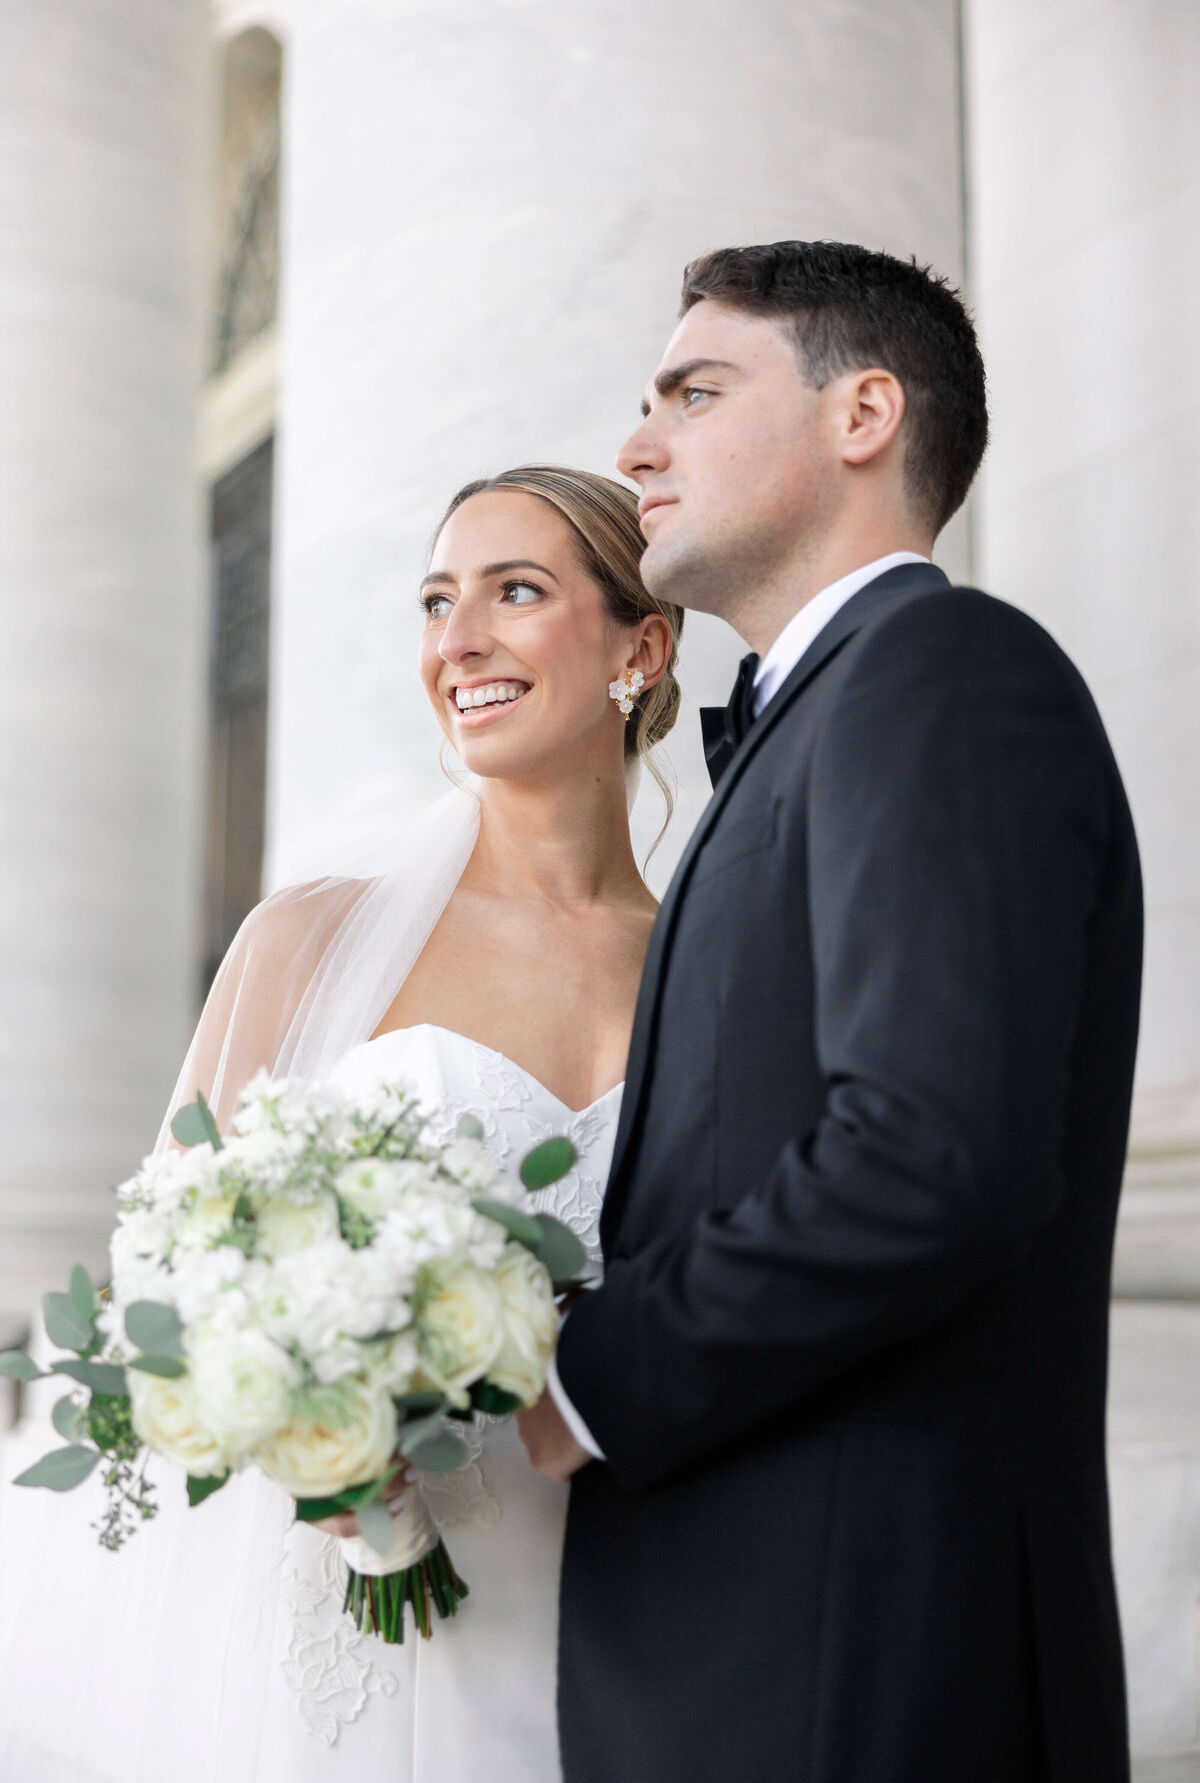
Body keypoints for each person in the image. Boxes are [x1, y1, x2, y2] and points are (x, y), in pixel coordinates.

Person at [518, 242, 1142, 1783]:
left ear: (864, 414)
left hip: (858, 1661)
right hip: (757, 1653)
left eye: (695, 391)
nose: (636, 446)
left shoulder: (940, 673)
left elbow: (929, 1155)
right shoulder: (832, 712)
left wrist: (581, 1378)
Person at [0, 466, 680, 1783]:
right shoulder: (312, 940)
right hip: (354, 1607)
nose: (458, 639)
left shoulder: (714, 965)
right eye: (438, 600)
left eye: (517, 592)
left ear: (639, 648)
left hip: (635, 1600)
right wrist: (323, 1435)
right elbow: (175, 1272)